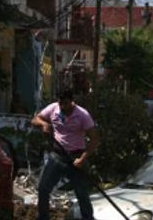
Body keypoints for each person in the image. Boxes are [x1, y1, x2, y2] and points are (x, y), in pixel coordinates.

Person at [32, 90, 99, 220]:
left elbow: (94, 139)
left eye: (66, 103)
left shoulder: (82, 115)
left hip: (76, 157)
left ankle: (88, 218)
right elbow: (35, 119)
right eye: (60, 103)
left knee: (81, 193)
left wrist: (82, 159)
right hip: (57, 156)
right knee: (43, 188)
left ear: (72, 101)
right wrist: (44, 124)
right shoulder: (53, 108)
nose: (62, 107)